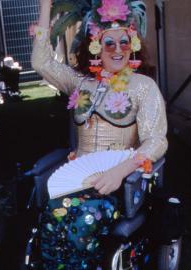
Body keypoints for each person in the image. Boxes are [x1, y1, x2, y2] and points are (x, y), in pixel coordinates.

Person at [31, 0, 167, 268]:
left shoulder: (143, 86)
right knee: (51, 217)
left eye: (124, 42)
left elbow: (157, 140)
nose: (118, 50)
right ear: (95, 47)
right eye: (109, 43)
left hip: (118, 186)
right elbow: (41, 61)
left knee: (81, 217)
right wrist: (45, 6)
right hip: (78, 182)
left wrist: (120, 171)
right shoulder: (80, 83)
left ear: (133, 45)